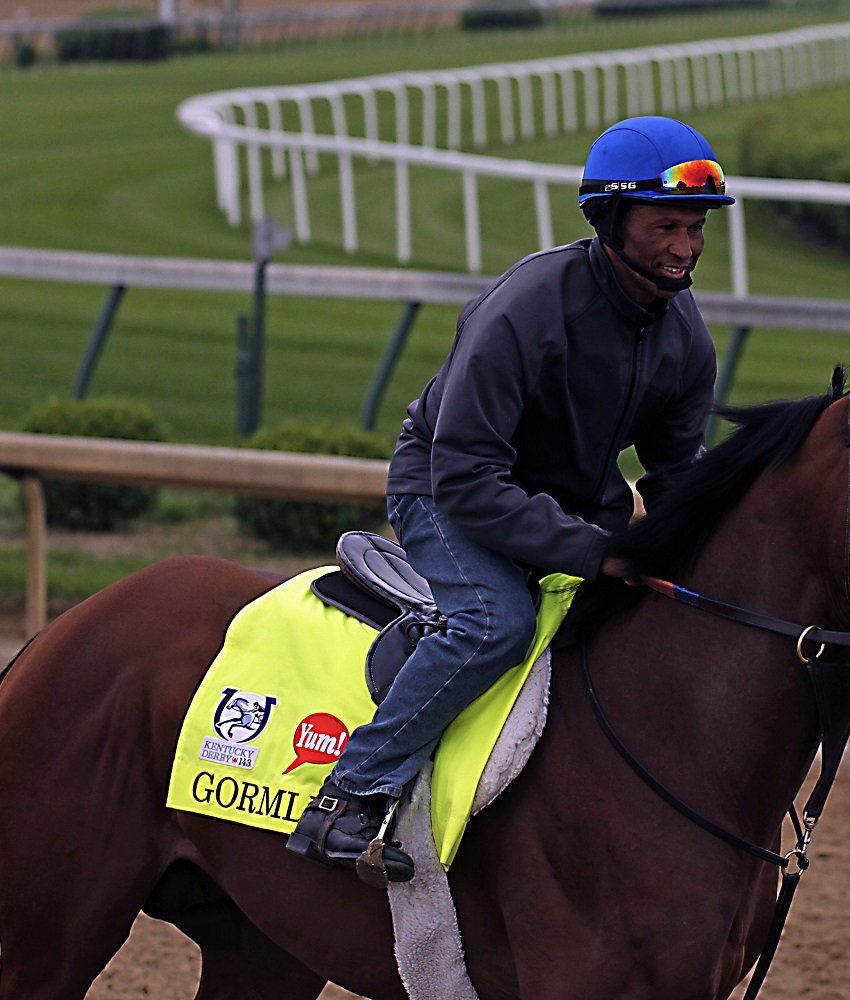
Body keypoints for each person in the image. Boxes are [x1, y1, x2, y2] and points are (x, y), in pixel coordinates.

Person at [288, 115, 735, 885]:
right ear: (610, 220)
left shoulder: (684, 336)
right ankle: (351, 791)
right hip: (446, 492)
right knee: (497, 623)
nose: (686, 248)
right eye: (667, 225)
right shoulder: (526, 308)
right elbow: (466, 475)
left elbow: (676, 474)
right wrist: (595, 550)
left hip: (566, 507)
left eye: (694, 229)